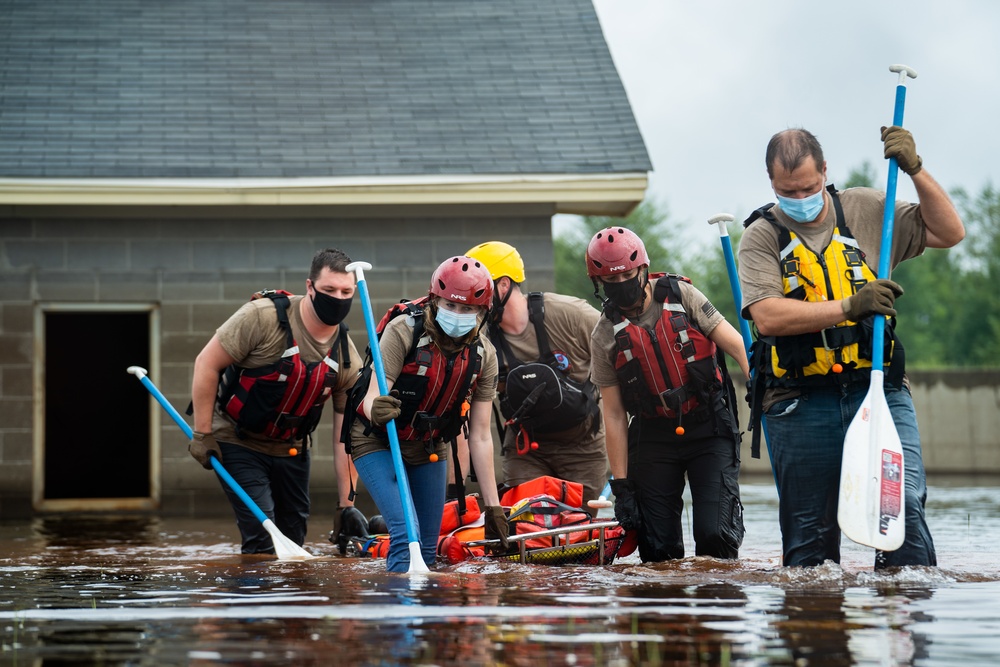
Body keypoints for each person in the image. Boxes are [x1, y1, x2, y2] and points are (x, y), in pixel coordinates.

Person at [738, 126, 964, 568]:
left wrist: (915, 169)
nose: (800, 197)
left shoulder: (865, 208)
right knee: (810, 545)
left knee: (903, 513)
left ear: (825, 171)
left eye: (808, 186)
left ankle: (902, 622)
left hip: (877, 388)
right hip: (798, 401)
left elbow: (949, 231)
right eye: (788, 191)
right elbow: (768, 316)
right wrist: (850, 305)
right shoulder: (760, 237)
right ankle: (816, 631)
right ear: (771, 183)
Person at [587, 227, 749, 561]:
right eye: (610, 282)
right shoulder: (603, 335)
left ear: (642, 269)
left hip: (708, 425)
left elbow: (737, 345)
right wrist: (622, 486)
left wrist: (760, 387)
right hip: (653, 434)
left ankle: (718, 606)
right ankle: (666, 611)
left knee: (715, 536)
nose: (620, 287)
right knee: (658, 550)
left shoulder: (682, 296)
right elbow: (615, 415)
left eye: (627, 276)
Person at [188, 248, 363, 554]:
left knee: (293, 537)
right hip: (237, 439)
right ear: (310, 287)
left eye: (346, 291)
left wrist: (346, 504)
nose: (337, 298)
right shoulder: (262, 317)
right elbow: (206, 363)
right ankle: (255, 598)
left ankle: (287, 600)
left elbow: (344, 438)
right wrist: (202, 434)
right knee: (263, 536)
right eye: (328, 290)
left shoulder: (346, 357)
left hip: (292, 449)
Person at [348, 255, 509, 572]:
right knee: (406, 535)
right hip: (378, 441)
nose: (457, 314)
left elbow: (479, 435)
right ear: (435, 300)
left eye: (467, 309)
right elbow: (370, 400)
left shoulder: (484, 355)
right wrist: (377, 408)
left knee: (428, 549)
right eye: (450, 305)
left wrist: (493, 507)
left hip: (430, 448)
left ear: (481, 312)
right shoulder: (403, 331)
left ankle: (424, 616)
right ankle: (400, 614)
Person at [465, 241, 607, 506]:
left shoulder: (571, 315)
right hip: (526, 449)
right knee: (529, 530)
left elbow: (622, 352)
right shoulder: (479, 339)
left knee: (576, 532)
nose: (474, 298)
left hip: (583, 448)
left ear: (504, 285)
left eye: (480, 289)